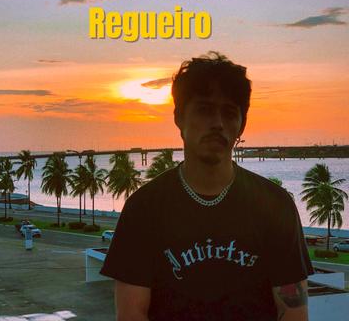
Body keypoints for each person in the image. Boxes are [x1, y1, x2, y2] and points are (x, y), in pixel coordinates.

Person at [100, 52, 313, 321]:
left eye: (229, 113)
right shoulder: (143, 209)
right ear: (179, 117)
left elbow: (293, 311)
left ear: (242, 125)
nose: (217, 124)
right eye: (204, 110)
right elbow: (132, 314)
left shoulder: (275, 206)